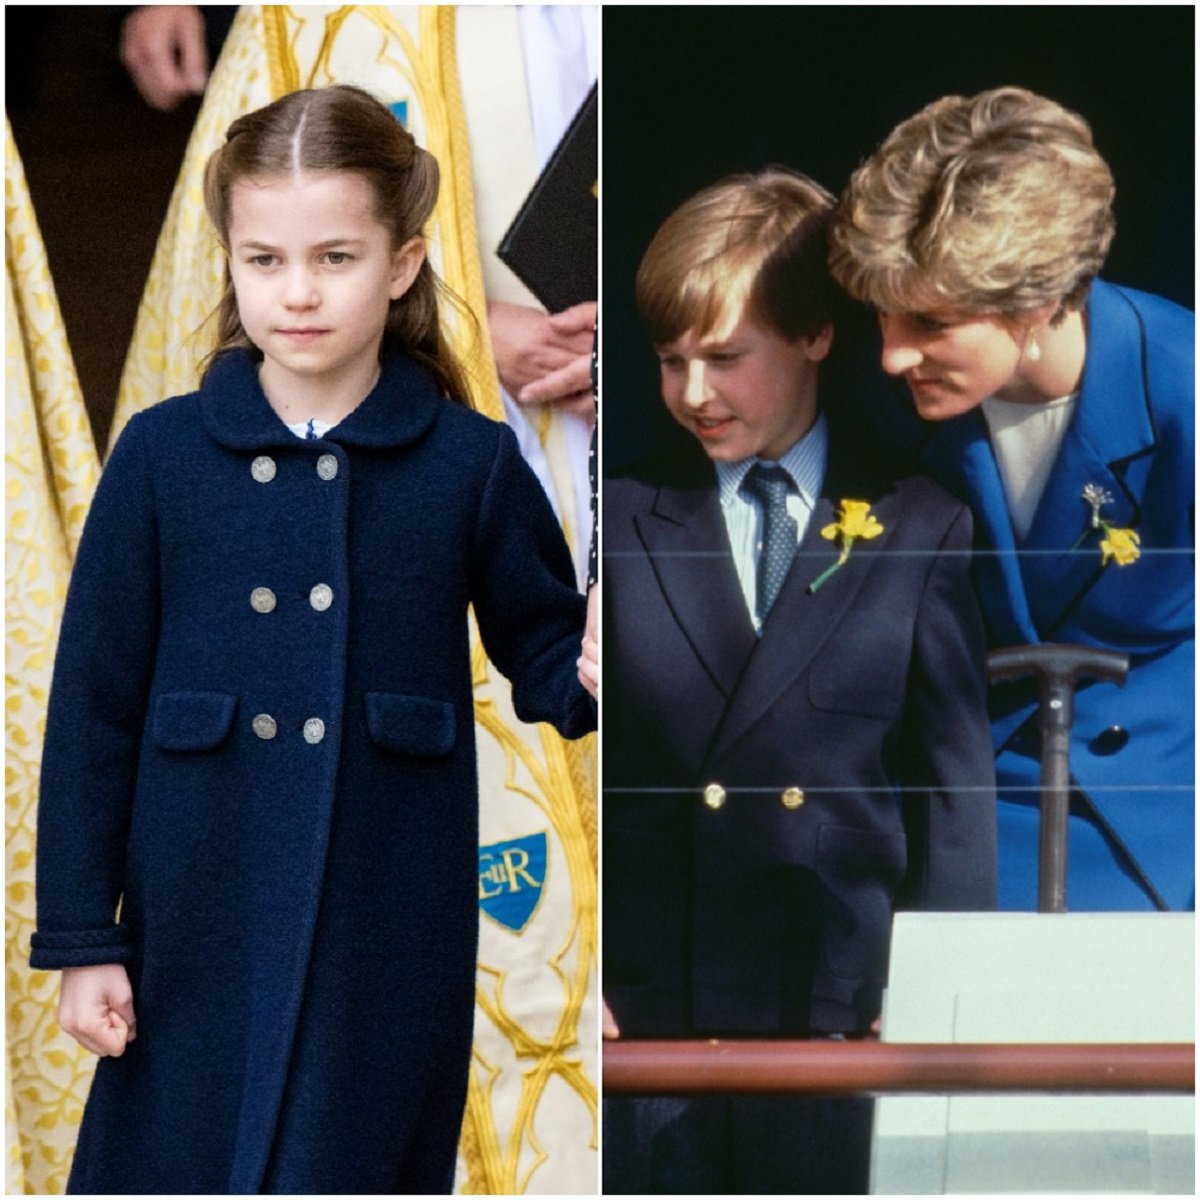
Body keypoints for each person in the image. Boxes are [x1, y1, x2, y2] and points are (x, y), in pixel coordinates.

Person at [30, 84, 597, 1195]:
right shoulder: (160, 458)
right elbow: (91, 711)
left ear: (402, 263)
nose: (296, 293)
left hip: (383, 927)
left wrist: (592, 665)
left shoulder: (467, 464)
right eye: (265, 260)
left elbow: (549, 661)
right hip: (195, 911)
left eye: (335, 258)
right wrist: (80, 938)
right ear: (230, 263)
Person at [602, 168, 996, 1194]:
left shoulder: (921, 521)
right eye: (668, 361)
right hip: (653, 1016)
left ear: (817, 335)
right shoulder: (618, 516)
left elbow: (953, 794)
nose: (694, 394)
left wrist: (936, 997)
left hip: (839, 1014)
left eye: (727, 358)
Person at [829, 86, 1194, 913]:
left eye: (928, 323)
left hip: (1153, 835)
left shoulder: (1184, 391)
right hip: (932, 819)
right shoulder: (876, 395)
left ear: (1035, 305)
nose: (890, 356)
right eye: (880, 318)